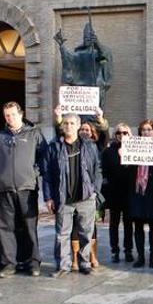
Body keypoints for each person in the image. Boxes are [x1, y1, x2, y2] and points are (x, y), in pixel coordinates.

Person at [0, 101, 47, 278]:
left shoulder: (34, 134)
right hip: (5, 188)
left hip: (27, 187)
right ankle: (9, 263)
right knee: (6, 228)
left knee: (29, 226)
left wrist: (33, 173)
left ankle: (33, 262)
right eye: (7, 115)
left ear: (20, 114)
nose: (10, 118)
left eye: (13, 114)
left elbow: (43, 157)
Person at [44, 113, 103, 277]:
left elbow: (97, 169)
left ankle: (84, 263)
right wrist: (48, 197)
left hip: (85, 197)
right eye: (66, 123)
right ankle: (63, 266)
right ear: (62, 126)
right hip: (63, 198)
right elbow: (47, 174)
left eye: (72, 123)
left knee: (86, 232)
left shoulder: (89, 146)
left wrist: (94, 191)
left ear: (78, 126)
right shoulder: (54, 147)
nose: (68, 126)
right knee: (62, 234)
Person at [127, 119, 153, 268]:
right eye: (144, 130)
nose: (146, 132)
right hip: (137, 191)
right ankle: (140, 257)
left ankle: (152, 257)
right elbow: (127, 169)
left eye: (149, 130)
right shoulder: (133, 146)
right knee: (137, 226)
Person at [102, 122, 134, 263]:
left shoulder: (136, 149)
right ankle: (114, 250)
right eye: (119, 133)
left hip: (129, 192)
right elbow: (104, 171)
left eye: (125, 133)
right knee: (113, 223)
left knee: (128, 224)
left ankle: (128, 250)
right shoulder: (109, 151)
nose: (122, 135)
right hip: (115, 192)